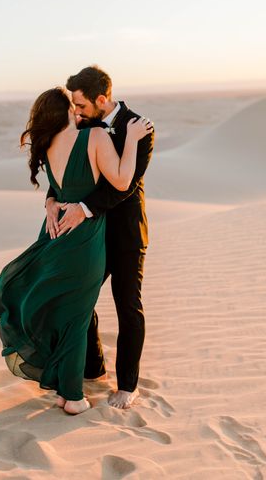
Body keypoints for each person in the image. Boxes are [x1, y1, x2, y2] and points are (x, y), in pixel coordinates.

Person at [0, 86, 152, 415]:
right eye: (73, 106)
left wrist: (49, 203)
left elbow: (56, 189)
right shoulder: (96, 138)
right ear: (65, 111)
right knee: (75, 316)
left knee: (68, 310)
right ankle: (73, 397)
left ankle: (65, 390)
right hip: (85, 240)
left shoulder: (48, 147)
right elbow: (122, 180)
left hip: (56, 235)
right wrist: (130, 139)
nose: (78, 110)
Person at [45, 66, 155, 409]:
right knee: (81, 301)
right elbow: (71, 166)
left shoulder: (140, 129)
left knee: (128, 307)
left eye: (80, 105)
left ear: (101, 99)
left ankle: (128, 385)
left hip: (124, 234)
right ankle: (93, 368)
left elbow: (126, 185)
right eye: (74, 106)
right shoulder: (87, 126)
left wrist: (85, 208)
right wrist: (51, 198)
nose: (76, 112)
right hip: (92, 235)